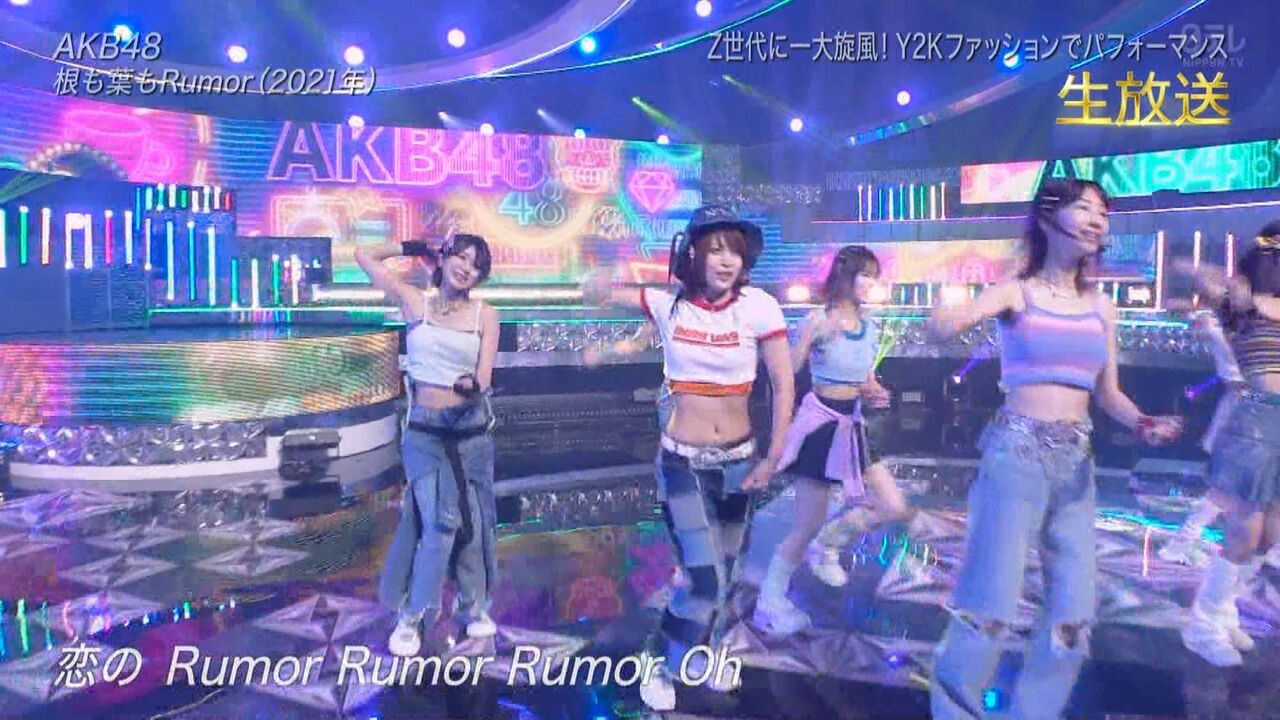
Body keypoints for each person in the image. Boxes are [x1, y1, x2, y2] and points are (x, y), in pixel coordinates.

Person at [925, 178, 1182, 720]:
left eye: (1103, 213)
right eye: (1084, 208)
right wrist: (953, 314)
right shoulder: (1017, 291)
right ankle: (955, 710)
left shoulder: (1101, 307)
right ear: (1047, 218)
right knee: (989, 602)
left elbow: (1108, 394)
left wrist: (1143, 423)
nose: (1097, 221)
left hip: (1076, 464)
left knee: (1072, 613)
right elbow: (940, 329)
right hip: (1016, 455)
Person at [582, 205, 794, 711]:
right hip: (683, 465)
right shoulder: (667, 305)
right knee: (704, 578)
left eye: (734, 251)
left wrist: (773, 456)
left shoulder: (760, 307)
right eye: (715, 249)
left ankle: (698, 652)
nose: (726, 261)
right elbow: (593, 293)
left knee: (727, 576)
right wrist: (608, 255)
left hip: (740, 463)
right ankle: (658, 658)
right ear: (692, 253)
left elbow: (783, 384)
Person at [754, 245, 914, 635]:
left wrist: (875, 392)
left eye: (874, 276)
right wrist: (799, 341)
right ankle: (769, 599)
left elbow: (865, 379)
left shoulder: (871, 326)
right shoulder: (818, 320)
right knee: (806, 523)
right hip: (821, 426)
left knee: (894, 505)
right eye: (865, 274)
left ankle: (831, 540)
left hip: (853, 425)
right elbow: (786, 372)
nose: (871, 283)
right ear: (845, 276)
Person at [356, 234, 502, 657]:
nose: (466, 268)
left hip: (470, 434)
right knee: (438, 523)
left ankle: (473, 606)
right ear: (444, 257)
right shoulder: (415, 302)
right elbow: (364, 254)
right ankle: (413, 615)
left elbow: (484, 377)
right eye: (460, 257)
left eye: (475, 264)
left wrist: (471, 385)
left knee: (474, 523)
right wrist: (414, 248)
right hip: (424, 435)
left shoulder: (486, 315)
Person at [1176, 220, 1280, 667]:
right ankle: (1201, 624)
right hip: (1254, 421)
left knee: (1270, 538)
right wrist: (1237, 278)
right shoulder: (1244, 305)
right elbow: (1188, 268)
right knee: (1245, 531)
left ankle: (1223, 611)